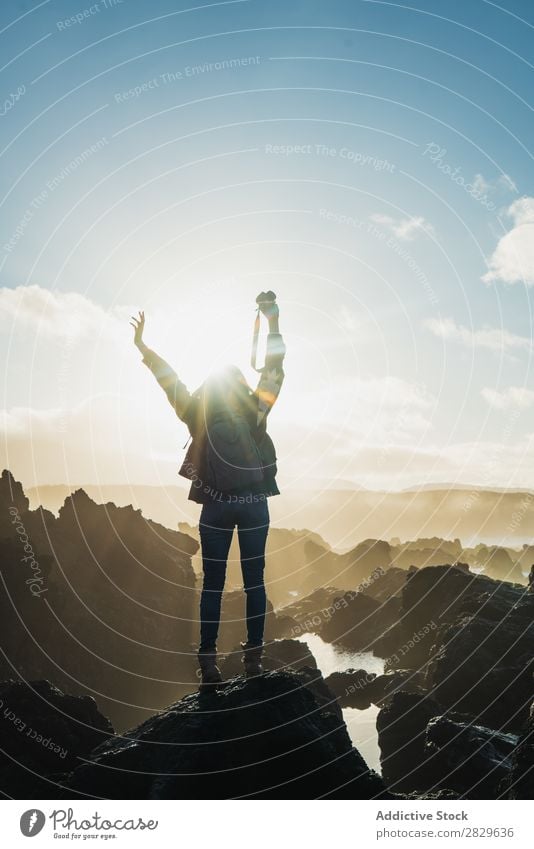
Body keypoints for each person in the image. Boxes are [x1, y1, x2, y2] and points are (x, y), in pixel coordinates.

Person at [130, 295, 286, 689]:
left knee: (212, 585)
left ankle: (209, 664)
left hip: (215, 506)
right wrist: (272, 322)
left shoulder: (195, 412)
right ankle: (253, 660)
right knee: (255, 581)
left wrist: (144, 349)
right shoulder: (254, 411)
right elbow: (274, 369)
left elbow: (170, 380)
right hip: (253, 504)